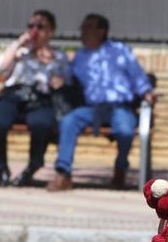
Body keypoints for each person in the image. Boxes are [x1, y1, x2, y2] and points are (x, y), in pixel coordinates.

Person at [49, 13, 155, 191]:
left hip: (119, 106)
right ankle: (63, 173)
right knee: (69, 121)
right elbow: (69, 80)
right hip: (92, 108)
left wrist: (146, 92)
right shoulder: (80, 56)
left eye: (87, 28)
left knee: (124, 130)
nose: (82, 32)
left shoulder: (120, 50)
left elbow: (137, 75)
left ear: (101, 31)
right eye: (82, 28)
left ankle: (120, 167)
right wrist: (60, 80)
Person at [0, 9, 71, 186]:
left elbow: (67, 81)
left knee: (43, 124)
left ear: (51, 31)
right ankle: (1, 167)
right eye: (31, 26)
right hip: (14, 95)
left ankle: (33, 166)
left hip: (40, 97)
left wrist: (58, 80)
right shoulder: (19, 50)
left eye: (40, 26)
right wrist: (18, 47)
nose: (35, 30)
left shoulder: (58, 56)